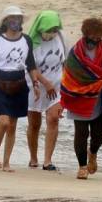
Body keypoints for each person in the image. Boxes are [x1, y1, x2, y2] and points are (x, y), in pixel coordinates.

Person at [0, 6, 41, 172]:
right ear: (5, 21)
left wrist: (35, 83)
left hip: (19, 84)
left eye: (18, 18)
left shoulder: (26, 39)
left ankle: (6, 163)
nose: (15, 21)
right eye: (12, 18)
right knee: (3, 122)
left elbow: (31, 64)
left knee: (12, 125)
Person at [61, 18, 102, 180]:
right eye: (93, 35)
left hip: (98, 97)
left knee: (99, 133)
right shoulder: (76, 51)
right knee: (81, 132)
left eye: (99, 36)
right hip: (78, 97)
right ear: (86, 33)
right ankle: (82, 166)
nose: (96, 38)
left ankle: (92, 152)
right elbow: (69, 73)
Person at [26, 10, 67, 171]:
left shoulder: (62, 38)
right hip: (34, 85)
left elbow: (66, 62)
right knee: (34, 123)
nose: (52, 34)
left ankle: (47, 161)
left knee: (53, 119)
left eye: (55, 30)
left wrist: (64, 87)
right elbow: (31, 68)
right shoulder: (30, 42)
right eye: (49, 31)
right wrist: (45, 83)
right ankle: (33, 158)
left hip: (56, 86)